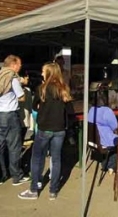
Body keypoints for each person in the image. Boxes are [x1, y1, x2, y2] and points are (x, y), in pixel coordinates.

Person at [18, 62, 73, 200]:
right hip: (60, 128)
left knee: (37, 158)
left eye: (43, 71)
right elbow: (69, 109)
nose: (41, 73)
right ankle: (53, 191)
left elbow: (35, 107)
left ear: (48, 73)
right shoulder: (64, 88)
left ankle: (34, 189)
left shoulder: (42, 88)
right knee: (56, 158)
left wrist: (42, 110)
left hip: (44, 128)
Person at [0, 55, 29, 186]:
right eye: (19, 64)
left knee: (1, 146)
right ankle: (16, 176)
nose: (20, 66)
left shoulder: (1, 75)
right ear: (13, 65)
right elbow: (21, 97)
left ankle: (2, 175)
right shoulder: (12, 78)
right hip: (10, 114)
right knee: (14, 146)